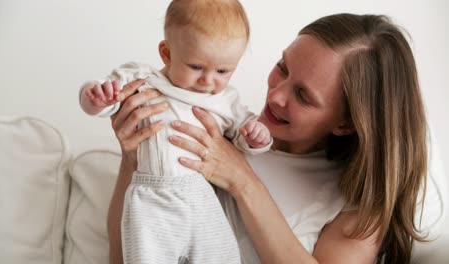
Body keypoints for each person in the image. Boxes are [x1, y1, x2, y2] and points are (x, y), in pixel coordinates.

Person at [108, 13, 437, 264]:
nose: (276, 95)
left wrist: (242, 179)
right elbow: (122, 255)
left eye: (304, 96)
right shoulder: (224, 129)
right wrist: (136, 159)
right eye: (283, 67)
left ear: (346, 124)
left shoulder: (355, 208)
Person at [81, 0, 272, 263]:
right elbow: (102, 96)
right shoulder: (142, 79)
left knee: (222, 255)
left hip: (201, 193)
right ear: (167, 53)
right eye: (196, 67)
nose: (208, 81)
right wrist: (97, 98)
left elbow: (244, 132)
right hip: (151, 195)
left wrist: (256, 135)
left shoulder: (226, 99)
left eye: (223, 71)